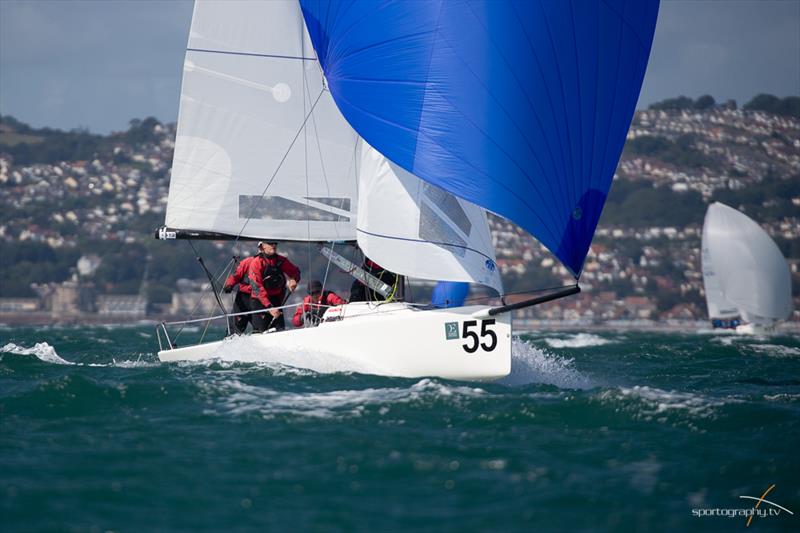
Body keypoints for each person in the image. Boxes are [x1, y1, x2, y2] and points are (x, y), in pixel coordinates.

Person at [223, 241, 301, 333]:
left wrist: (293, 279)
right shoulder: (250, 262)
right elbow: (236, 276)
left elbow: (295, 272)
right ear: (261, 248)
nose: (273, 246)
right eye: (270, 244)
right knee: (237, 327)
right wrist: (229, 285)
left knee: (275, 329)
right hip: (248, 298)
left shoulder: (280, 261)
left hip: (268, 298)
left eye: (275, 244)